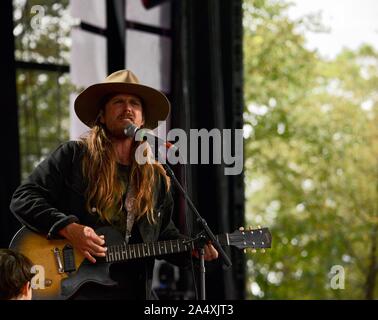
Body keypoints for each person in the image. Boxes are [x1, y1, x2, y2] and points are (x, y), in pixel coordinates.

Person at [9, 70, 218, 300]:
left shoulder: (156, 178)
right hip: (78, 290)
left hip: (135, 290)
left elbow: (163, 234)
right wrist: (69, 228)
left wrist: (193, 249)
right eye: (119, 101)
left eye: (134, 103)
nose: (128, 108)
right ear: (101, 115)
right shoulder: (74, 156)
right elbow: (24, 198)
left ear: (142, 120)